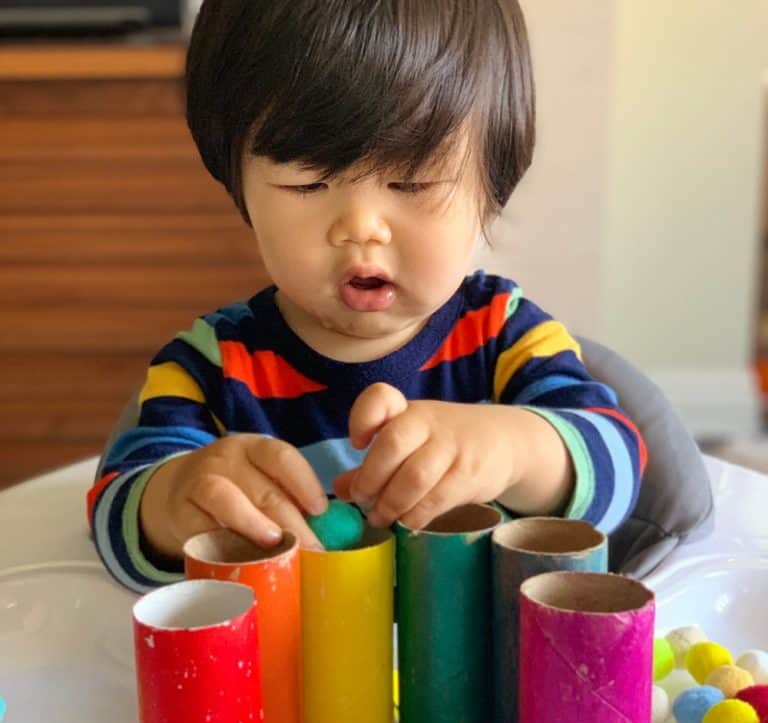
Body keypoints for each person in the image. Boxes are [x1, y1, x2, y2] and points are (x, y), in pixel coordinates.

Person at [88, 0, 646, 592]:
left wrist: (513, 451)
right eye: (309, 183)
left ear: (492, 187)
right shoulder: (209, 367)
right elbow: (115, 518)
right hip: (286, 672)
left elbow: (619, 466)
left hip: (479, 671)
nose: (361, 227)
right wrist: (176, 500)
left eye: (412, 181)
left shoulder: (506, 336)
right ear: (239, 187)